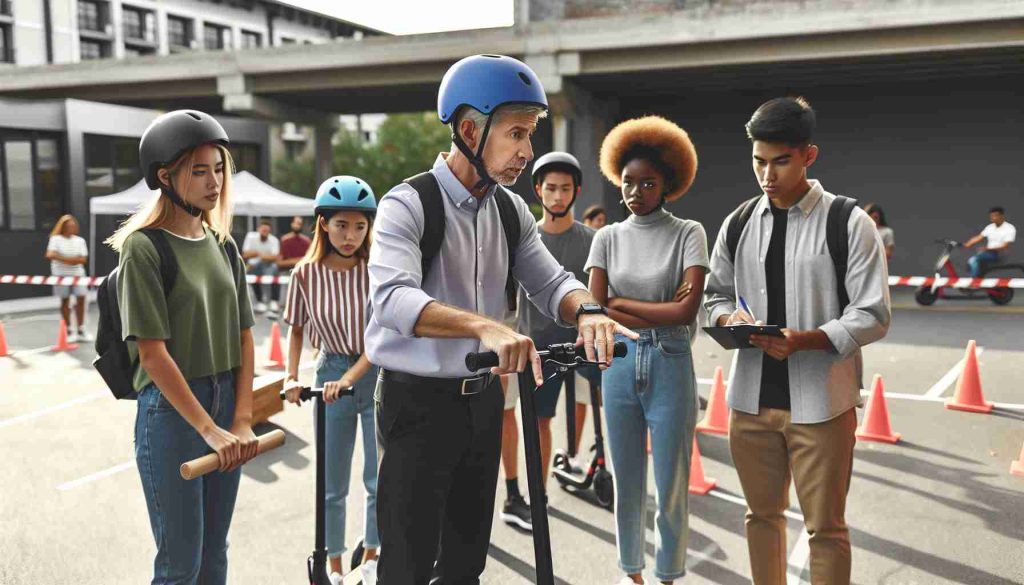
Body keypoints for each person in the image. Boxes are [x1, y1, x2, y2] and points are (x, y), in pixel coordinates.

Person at [365, 54, 635, 584]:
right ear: (469, 129)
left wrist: (590, 311)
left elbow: (553, 281)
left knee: (467, 563)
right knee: (408, 566)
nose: (527, 152)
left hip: (482, 404)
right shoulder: (409, 204)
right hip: (415, 404)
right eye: (516, 134)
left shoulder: (510, 211)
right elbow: (392, 299)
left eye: (529, 134)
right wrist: (483, 326)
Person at [704, 97, 891, 585]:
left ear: (809, 155)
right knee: (759, 518)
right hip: (749, 403)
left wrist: (806, 340)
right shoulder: (738, 222)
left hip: (822, 406)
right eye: (758, 161)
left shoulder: (849, 222)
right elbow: (713, 295)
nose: (767, 174)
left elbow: (872, 314)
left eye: (780, 161)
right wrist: (727, 318)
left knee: (825, 530)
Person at [106, 109, 258, 584]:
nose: (214, 182)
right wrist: (209, 428)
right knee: (180, 564)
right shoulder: (144, 248)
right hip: (172, 414)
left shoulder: (223, 245)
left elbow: (245, 336)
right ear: (164, 176)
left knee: (214, 557)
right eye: (199, 170)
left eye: (219, 169)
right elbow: (152, 354)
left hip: (224, 400)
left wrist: (242, 418)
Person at [586, 116, 706, 585]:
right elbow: (595, 310)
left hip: (670, 360)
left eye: (648, 182)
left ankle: (668, 574)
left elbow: (685, 312)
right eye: (628, 182)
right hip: (616, 361)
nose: (636, 191)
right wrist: (624, 308)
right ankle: (631, 572)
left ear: (668, 185)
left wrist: (619, 304)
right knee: (627, 479)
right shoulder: (607, 237)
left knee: (671, 483)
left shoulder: (688, 232)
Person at [283, 176, 380, 585]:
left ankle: (373, 555)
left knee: (379, 476)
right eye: (341, 224)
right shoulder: (304, 275)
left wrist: (352, 377)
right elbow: (296, 330)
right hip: (329, 373)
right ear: (322, 223)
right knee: (333, 481)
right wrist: (290, 376)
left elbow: (380, 339)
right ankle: (336, 566)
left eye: (360, 226)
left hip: (375, 374)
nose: (350, 235)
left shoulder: (376, 272)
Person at [499, 151, 599, 531]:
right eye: (550, 188)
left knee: (597, 410)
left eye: (565, 189)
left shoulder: (592, 239)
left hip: (583, 346)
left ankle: (583, 459)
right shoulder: (526, 237)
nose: (558, 196)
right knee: (540, 422)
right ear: (538, 190)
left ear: (576, 192)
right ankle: (534, 497)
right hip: (537, 349)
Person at [46, 214, 91, 342]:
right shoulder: (55, 239)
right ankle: (69, 330)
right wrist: (72, 260)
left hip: (78, 275)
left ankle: (81, 329)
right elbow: (50, 254)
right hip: (60, 276)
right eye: (69, 225)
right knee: (65, 301)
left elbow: (82, 259)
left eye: (73, 225)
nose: (72, 227)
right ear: (63, 226)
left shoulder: (80, 240)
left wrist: (60, 257)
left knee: (81, 299)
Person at [243, 218, 281, 313]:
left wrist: (257, 254)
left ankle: (274, 301)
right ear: (258, 229)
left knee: (275, 270)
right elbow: (245, 254)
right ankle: (260, 301)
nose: (265, 232)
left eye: (267, 230)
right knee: (252, 274)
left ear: (270, 231)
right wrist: (264, 255)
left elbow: (275, 257)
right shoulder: (250, 236)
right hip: (253, 266)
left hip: (268, 266)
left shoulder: (274, 240)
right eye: (263, 230)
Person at [963, 206, 1015, 277]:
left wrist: (987, 249)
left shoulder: (1009, 228)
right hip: (988, 253)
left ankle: (975, 282)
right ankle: (978, 278)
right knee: (971, 262)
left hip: (999, 255)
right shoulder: (990, 227)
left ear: (1001, 216)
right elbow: (979, 237)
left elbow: (1005, 246)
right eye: (991, 216)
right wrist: (967, 244)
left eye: (995, 216)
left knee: (974, 260)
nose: (993, 218)